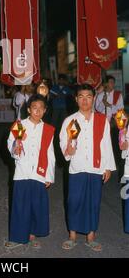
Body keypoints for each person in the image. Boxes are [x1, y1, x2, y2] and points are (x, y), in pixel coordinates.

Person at [60, 84, 116, 252]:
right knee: (74, 201)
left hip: (95, 167)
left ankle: (91, 236)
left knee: (93, 202)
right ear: (76, 99)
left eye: (89, 96)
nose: (85, 100)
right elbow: (64, 143)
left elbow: (106, 144)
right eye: (81, 97)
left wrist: (108, 167)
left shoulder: (101, 120)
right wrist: (68, 151)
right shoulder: (69, 120)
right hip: (77, 167)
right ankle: (72, 235)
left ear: (93, 98)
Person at [5, 94, 55, 249]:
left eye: (41, 108)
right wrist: (15, 147)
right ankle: (18, 237)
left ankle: (32, 234)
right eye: (34, 108)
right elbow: (10, 144)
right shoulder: (20, 125)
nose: (37, 111)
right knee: (20, 205)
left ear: (45, 110)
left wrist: (49, 176)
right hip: (22, 172)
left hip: (39, 173)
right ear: (28, 109)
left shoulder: (48, 129)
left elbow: (50, 154)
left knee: (36, 205)